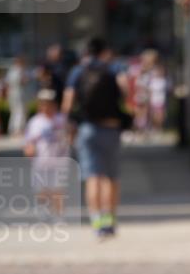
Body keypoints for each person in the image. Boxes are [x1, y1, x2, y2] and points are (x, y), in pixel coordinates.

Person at [62, 38, 124, 238]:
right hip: (111, 128)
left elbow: (68, 103)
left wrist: (68, 126)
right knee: (110, 178)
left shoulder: (78, 71)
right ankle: (110, 221)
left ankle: (96, 222)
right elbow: (127, 93)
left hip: (87, 129)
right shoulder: (113, 69)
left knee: (92, 178)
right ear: (105, 51)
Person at [24, 89, 70, 218]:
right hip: (41, 160)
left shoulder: (62, 119)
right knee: (41, 188)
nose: (46, 107)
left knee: (58, 188)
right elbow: (29, 141)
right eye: (43, 104)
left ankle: (59, 215)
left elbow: (71, 133)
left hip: (59, 159)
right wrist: (29, 150)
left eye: (49, 103)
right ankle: (44, 212)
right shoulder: (35, 122)